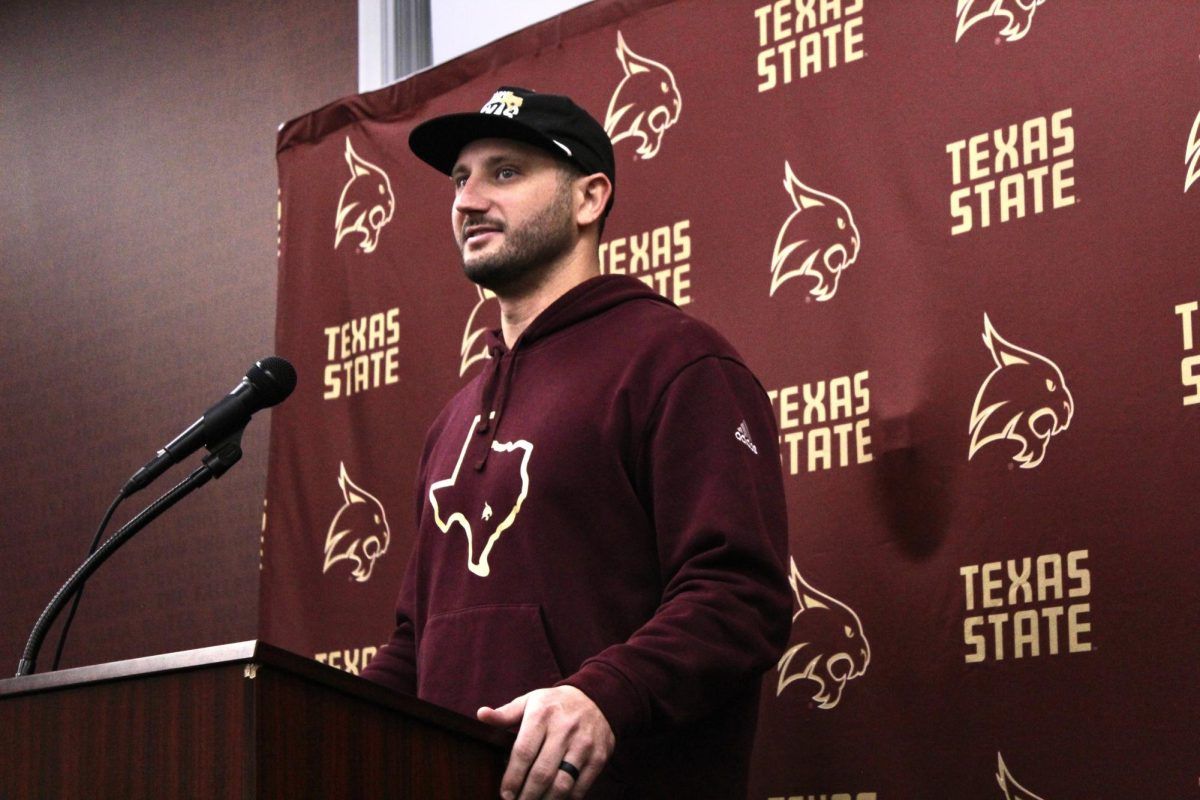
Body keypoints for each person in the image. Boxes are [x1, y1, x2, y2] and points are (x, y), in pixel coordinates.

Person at [361, 86, 791, 800]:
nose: (467, 201)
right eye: (460, 179)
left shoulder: (677, 362)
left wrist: (603, 695)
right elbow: (418, 642)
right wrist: (320, 730)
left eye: (505, 172)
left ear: (590, 198)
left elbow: (739, 594)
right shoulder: (453, 419)